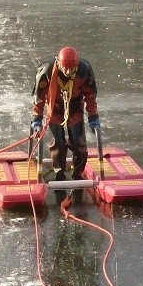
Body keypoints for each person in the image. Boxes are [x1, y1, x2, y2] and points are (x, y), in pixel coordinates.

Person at [30, 46, 100, 183]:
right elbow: (39, 97)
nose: (68, 72)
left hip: (75, 109)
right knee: (58, 144)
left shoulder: (83, 70)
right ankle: (59, 173)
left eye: (72, 68)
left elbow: (90, 95)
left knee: (79, 144)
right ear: (59, 64)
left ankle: (77, 173)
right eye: (65, 68)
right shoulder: (47, 71)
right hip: (55, 109)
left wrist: (93, 117)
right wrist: (36, 119)